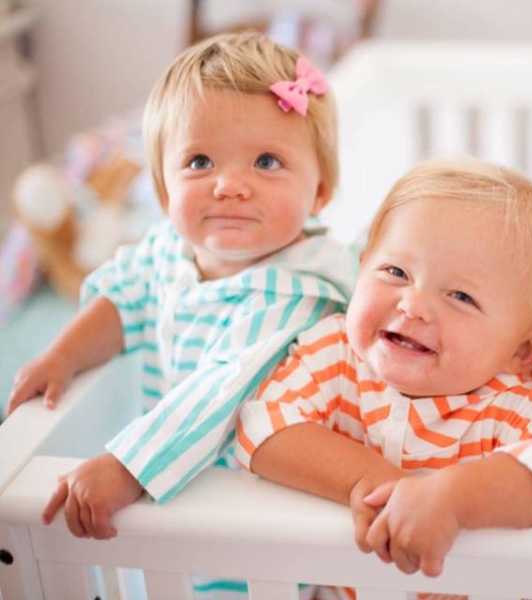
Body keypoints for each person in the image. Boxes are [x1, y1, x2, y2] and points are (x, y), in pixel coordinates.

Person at [7, 32, 355, 543]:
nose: (228, 185)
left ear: (320, 190)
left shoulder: (301, 291)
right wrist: (63, 356)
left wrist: (126, 467)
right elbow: (126, 296)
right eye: (199, 162)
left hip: (262, 518)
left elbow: (221, 389)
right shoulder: (171, 249)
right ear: (163, 187)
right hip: (174, 489)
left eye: (266, 162)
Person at [237, 159, 532, 592]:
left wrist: (453, 498)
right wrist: (369, 480)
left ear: (523, 351)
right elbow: (262, 421)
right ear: (360, 269)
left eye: (460, 296)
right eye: (395, 272)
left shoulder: (510, 406)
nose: (412, 304)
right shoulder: (336, 356)